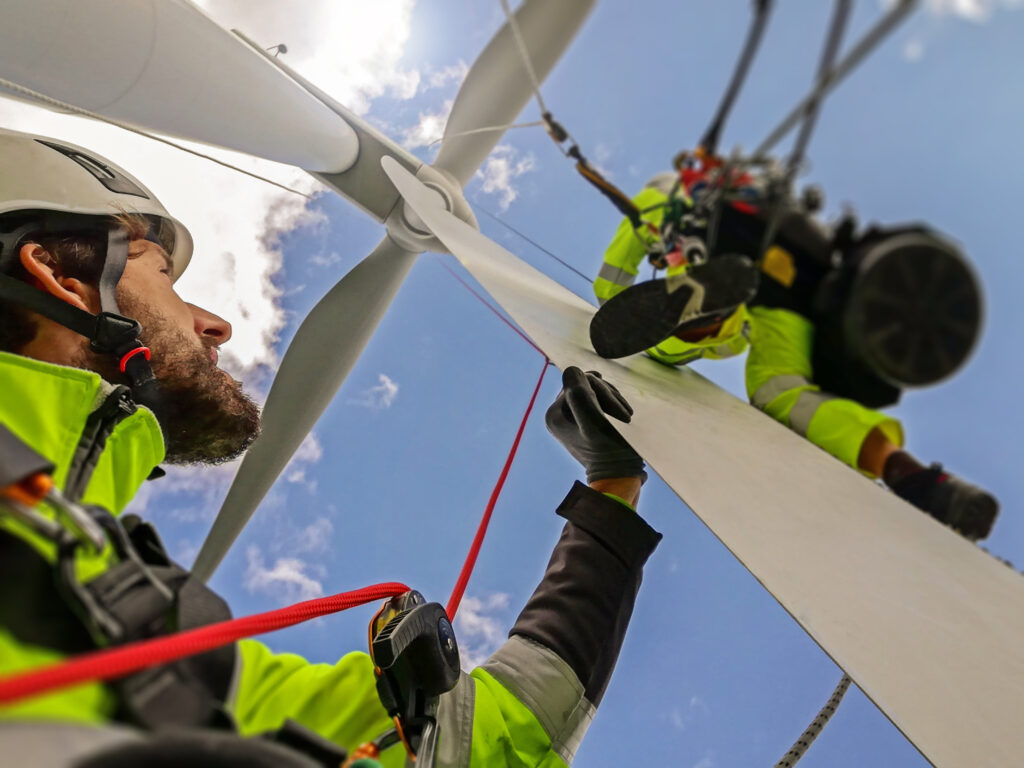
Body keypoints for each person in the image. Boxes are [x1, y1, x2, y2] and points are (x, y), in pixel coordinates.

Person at [0, 128, 660, 767]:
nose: (216, 325)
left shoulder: (138, 630)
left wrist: (612, 489)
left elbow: (488, 741)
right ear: (59, 273)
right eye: (165, 276)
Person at [589, 160, 999, 541]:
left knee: (664, 348)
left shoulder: (663, 199)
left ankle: (705, 315)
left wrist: (613, 297)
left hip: (721, 250)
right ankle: (912, 476)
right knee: (784, 393)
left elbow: (612, 285)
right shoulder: (763, 194)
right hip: (796, 278)